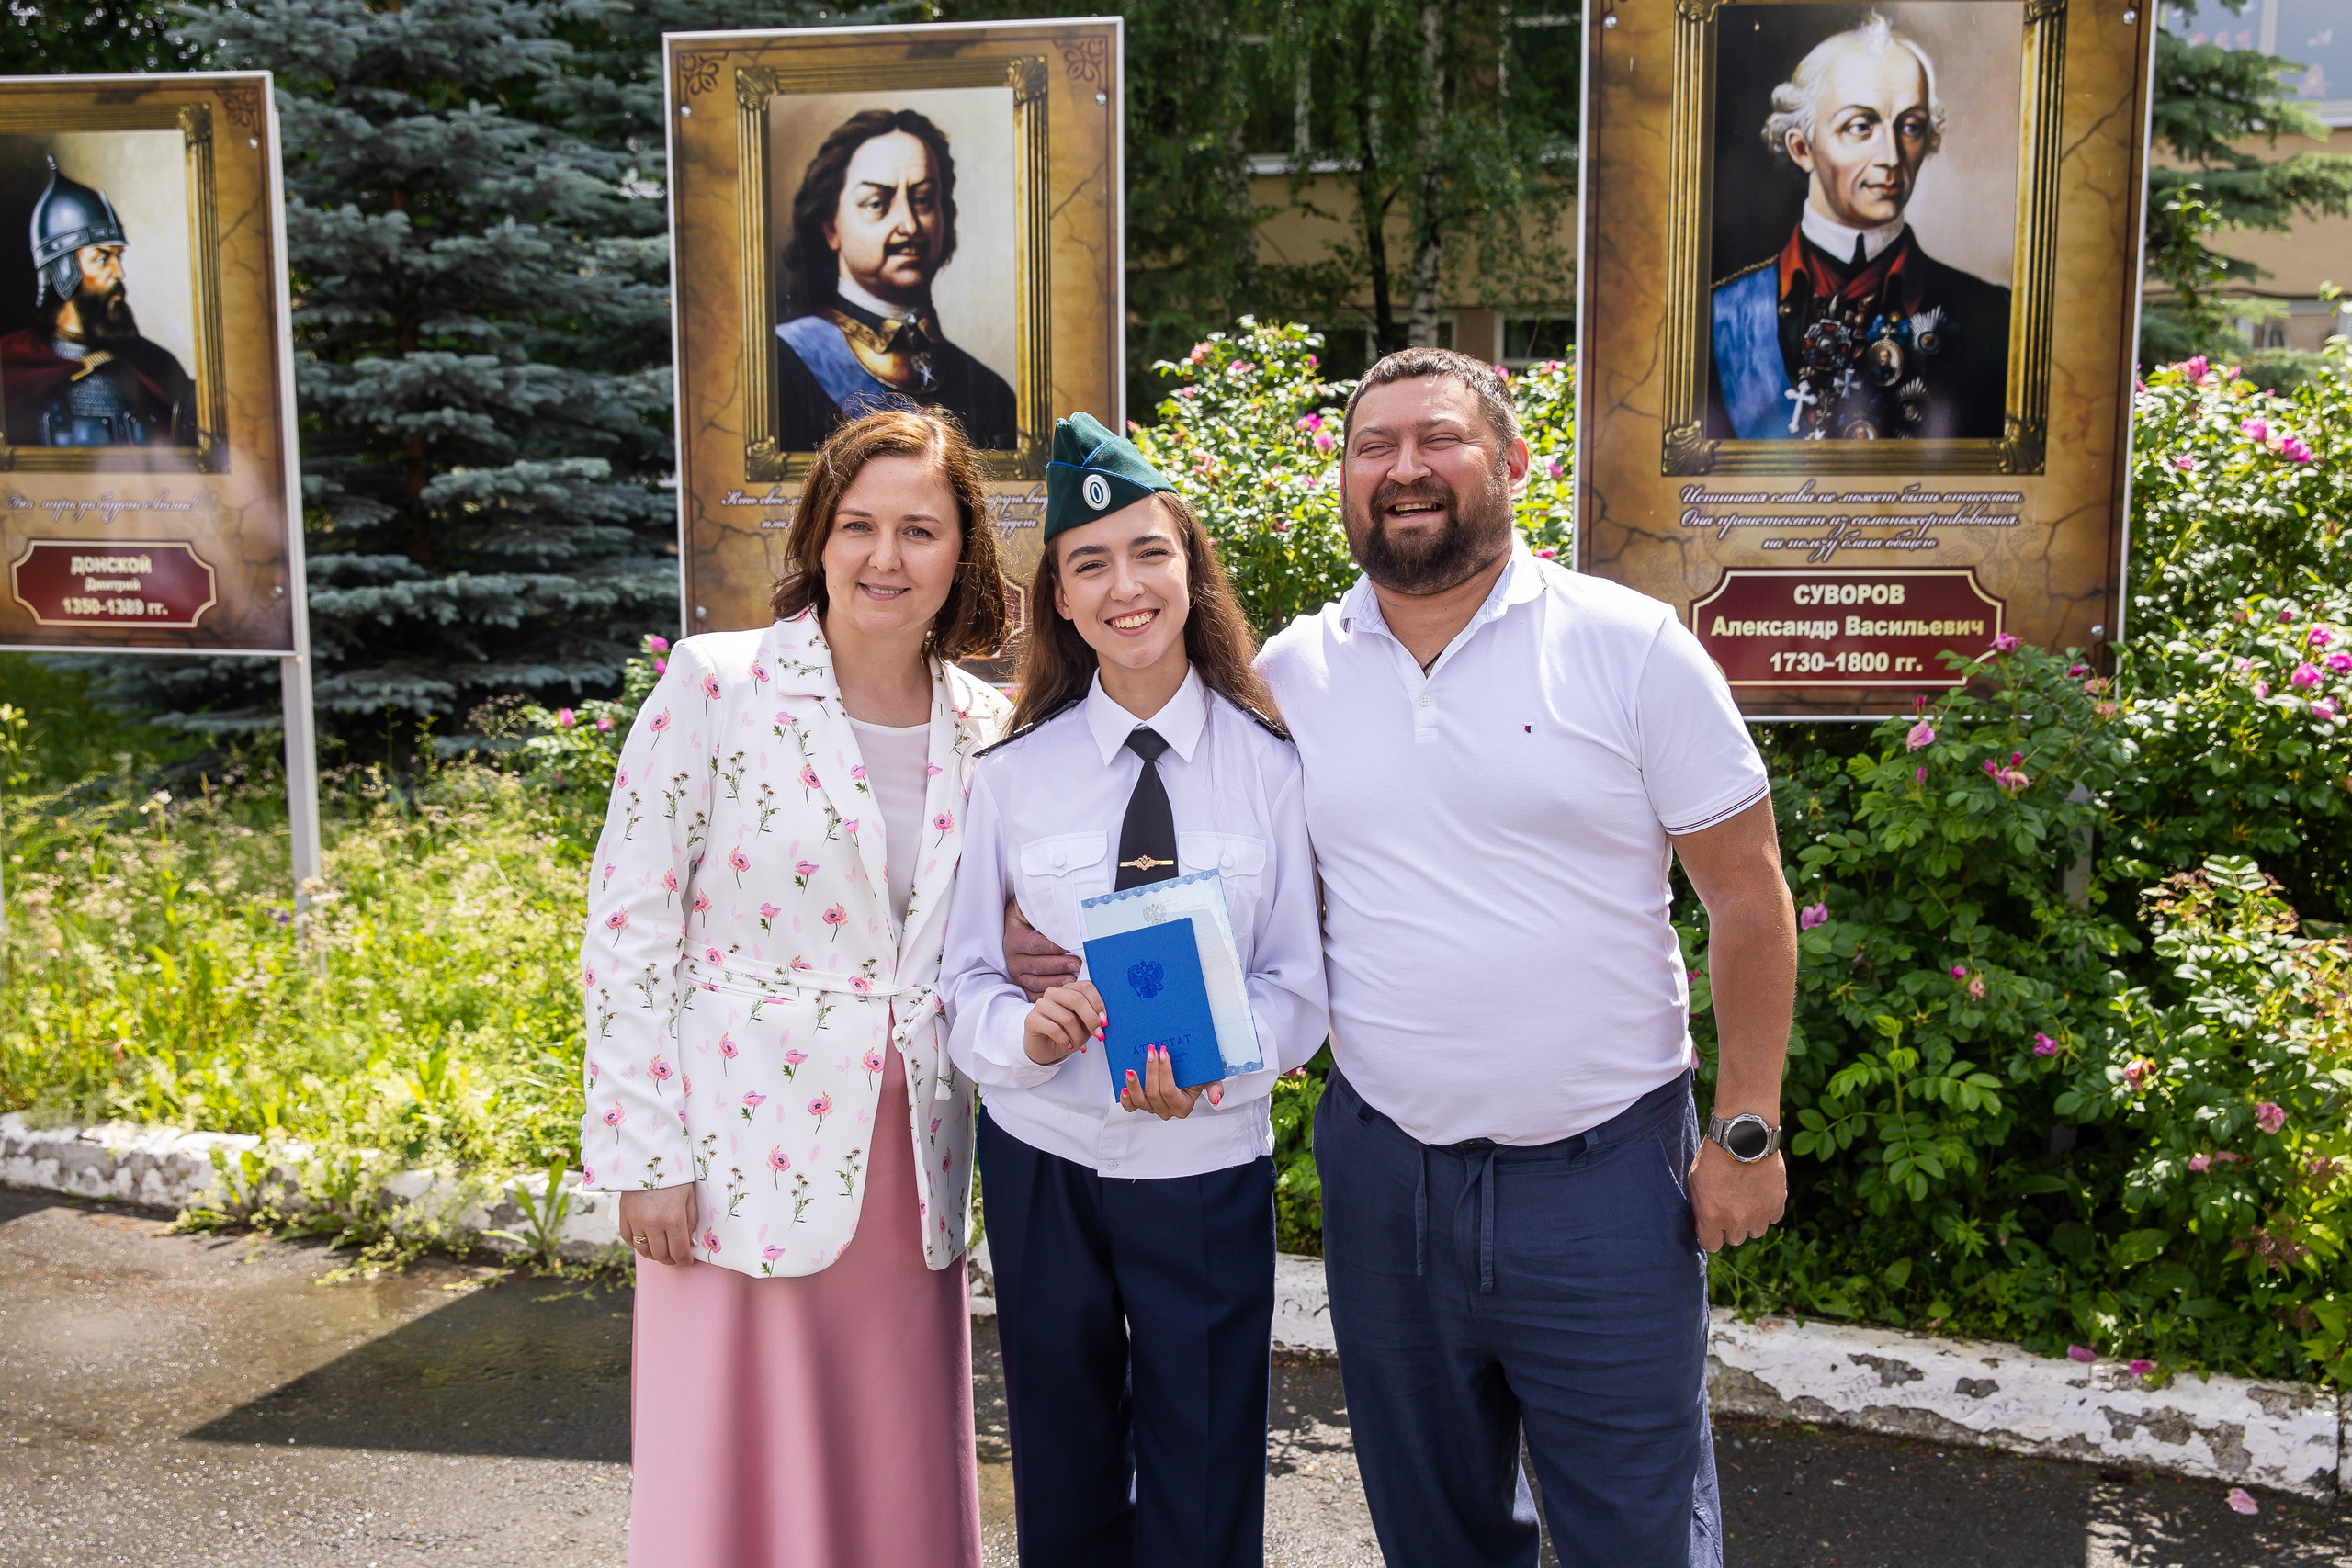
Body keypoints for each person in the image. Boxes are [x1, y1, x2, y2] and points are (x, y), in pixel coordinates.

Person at [1006, 351, 1797, 1568]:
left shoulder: (1630, 648)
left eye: (1439, 439)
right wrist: (1050, 939)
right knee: (1435, 1539)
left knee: (1638, 1534)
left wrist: (1746, 1127)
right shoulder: (1293, 679)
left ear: (1515, 462)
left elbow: (1748, 893)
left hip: (1604, 1184)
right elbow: (1191, 841)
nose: (1404, 468)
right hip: (1389, 1187)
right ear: (1345, 479)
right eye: (1373, 445)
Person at [580, 407, 1013, 1568]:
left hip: (908, 1160)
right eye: (859, 525)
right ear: (818, 538)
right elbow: (628, 928)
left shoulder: (993, 727)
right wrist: (643, 1152)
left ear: (961, 550)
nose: (886, 557)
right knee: (729, 1464)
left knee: (887, 1454)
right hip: (732, 1156)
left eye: (919, 530)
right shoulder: (715, 685)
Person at [940, 412, 1328, 1568]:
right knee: (1060, 1466)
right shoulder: (1009, 778)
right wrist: (1027, 1029)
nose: (1125, 587)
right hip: (1045, 1156)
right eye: (1089, 564)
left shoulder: (1274, 768)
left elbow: (1300, 984)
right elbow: (963, 982)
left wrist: (1217, 1053)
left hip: (1203, 1164)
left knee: (1206, 1467)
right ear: (1059, 598)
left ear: (1188, 567)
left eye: (1148, 553)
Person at [1707, 15, 2010, 442]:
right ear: (1802, 148)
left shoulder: (1994, 317)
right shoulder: (1719, 317)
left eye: (1910, 126)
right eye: (1860, 126)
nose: (1890, 156)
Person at [775, 108, 1019, 453]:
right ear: (831, 228)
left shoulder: (988, 390)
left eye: (922, 200)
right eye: (877, 203)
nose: (909, 226)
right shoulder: (782, 365)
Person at [1, 157, 196, 449]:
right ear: (64, 269)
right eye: (102, 258)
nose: (119, 273)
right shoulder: (13, 366)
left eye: (119, 258)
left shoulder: (154, 364)